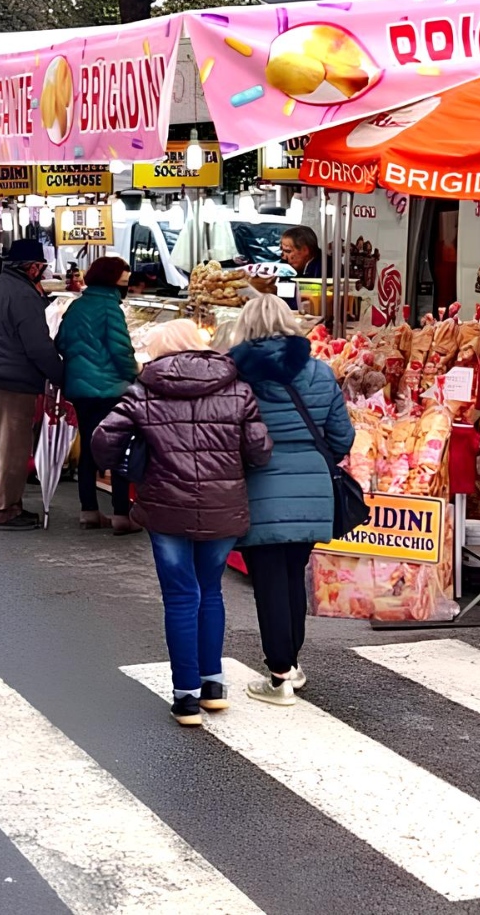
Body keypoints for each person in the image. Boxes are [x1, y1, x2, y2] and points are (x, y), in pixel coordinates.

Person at [92, 318, 270, 725]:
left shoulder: (143, 390)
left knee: (180, 596)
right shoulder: (237, 388)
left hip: (165, 504)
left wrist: (124, 467)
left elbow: (103, 439)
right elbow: (259, 450)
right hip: (223, 503)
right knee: (210, 590)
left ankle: (186, 696)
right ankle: (213, 686)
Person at [227, 293, 353, 707]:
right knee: (293, 575)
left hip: (259, 485)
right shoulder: (319, 371)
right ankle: (292, 663)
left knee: (268, 583)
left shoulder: (236, 375)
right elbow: (342, 437)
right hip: (313, 488)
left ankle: (279, 674)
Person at [0, 238, 64, 529]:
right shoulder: (23, 295)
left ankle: (6, 504)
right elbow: (37, 345)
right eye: (40, 267)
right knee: (14, 447)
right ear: (33, 267)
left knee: (5, 445)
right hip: (14, 378)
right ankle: (6, 510)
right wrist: (59, 374)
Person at [57, 256, 140, 531]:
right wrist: (134, 373)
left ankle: (89, 511)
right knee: (117, 448)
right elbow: (121, 350)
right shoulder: (110, 308)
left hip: (80, 390)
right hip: (110, 390)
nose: (126, 286)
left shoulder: (77, 306)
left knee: (90, 448)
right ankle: (121, 514)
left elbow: (61, 342)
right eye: (124, 281)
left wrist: (84, 358)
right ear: (112, 281)